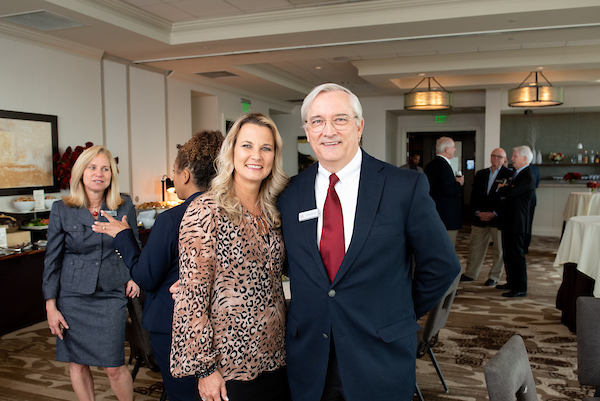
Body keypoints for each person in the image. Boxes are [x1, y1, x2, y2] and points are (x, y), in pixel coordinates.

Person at [278, 83, 460, 401]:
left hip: (379, 356)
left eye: (340, 119)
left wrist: (395, 314)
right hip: (309, 356)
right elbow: (285, 264)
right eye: (317, 121)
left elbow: (442, 266)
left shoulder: (404, 186)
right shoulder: (288, 194)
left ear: (359, 126)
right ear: (307, 131)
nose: (328, 130)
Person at [92, 130, 224, 401]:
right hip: (221, 322)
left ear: (185, 174)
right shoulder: (231, 213)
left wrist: (123, 237)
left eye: (174, 171)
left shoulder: (173, 219)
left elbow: (146, 277)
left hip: (175, 324)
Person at [170, 113, 290, 401]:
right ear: (231, 151)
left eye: (266, 148)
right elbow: (191, 299)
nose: (256, 156)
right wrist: (205, 369)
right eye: (247, 145)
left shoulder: (275, 210)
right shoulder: (206, 210)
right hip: (228, 365)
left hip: (277, 355)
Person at [42, 145, 140, 401]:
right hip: (73, 296)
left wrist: (132, 275)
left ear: (111, 174)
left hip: (110, 292)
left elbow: (133, 246)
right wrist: (51, 306)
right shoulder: (61, 208)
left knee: (114, 366)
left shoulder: (124, 204)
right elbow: (52, 260)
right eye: (92, 167)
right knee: (77, 362)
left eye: (105, 168)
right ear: (81, 173)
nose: (99, 173)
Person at [460, 148, 512, 286]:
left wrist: (494, 213)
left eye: (499, 157)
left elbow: (509, 199)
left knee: (499, 250)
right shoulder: (481, 173)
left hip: (498, 218)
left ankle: (494, 276)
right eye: (493, 156)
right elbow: (474, 195)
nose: (496, 159)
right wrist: (477, 212)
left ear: (504, 159)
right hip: (480, 216)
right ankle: (471, 274)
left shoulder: (510, 174)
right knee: (475, 247)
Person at [496, 145, 537, 298]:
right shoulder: (517, 173)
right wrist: (505, 188)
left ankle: (520, 287)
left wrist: (503, 188)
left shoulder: (527, 175)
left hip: (517, 222)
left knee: (516, 255)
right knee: (508, 254)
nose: (511, 159)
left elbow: (511, 192)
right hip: (509, 220)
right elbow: (508, 190)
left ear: (525, 158)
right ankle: (511, 282)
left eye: (515, 156)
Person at [424, 137, 465, 245]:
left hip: (434, 213)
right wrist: (459, 183)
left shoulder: (429, 166)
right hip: (447, 217)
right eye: (453, 147)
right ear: (447, 149)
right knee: (447, 248)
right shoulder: (444, 166)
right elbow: (450, 191)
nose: (455, 150)